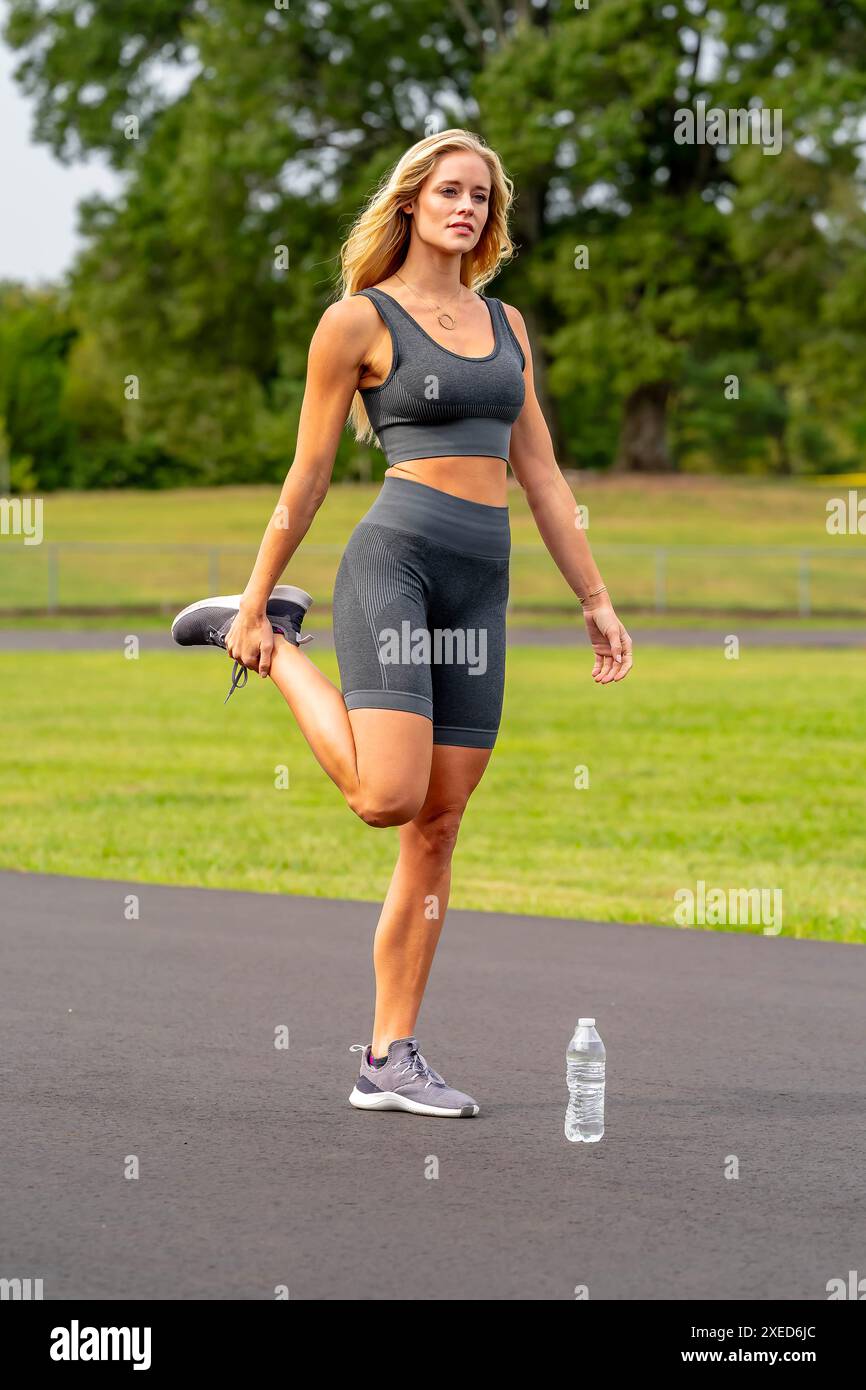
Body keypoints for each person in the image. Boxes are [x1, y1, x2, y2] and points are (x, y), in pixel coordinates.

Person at [172, 128, 633, 1118]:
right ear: (412, 203)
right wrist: (256, 595)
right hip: (396, 561)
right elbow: (308, 473)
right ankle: (269, 646)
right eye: (449, 191)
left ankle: (388, 1056)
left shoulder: (507, 328)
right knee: (386, 795)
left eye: (480, 197)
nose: (466, 208)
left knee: (437, 822)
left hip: (483, 581)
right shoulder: (356, 322)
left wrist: (594, 599)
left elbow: (543, 477)